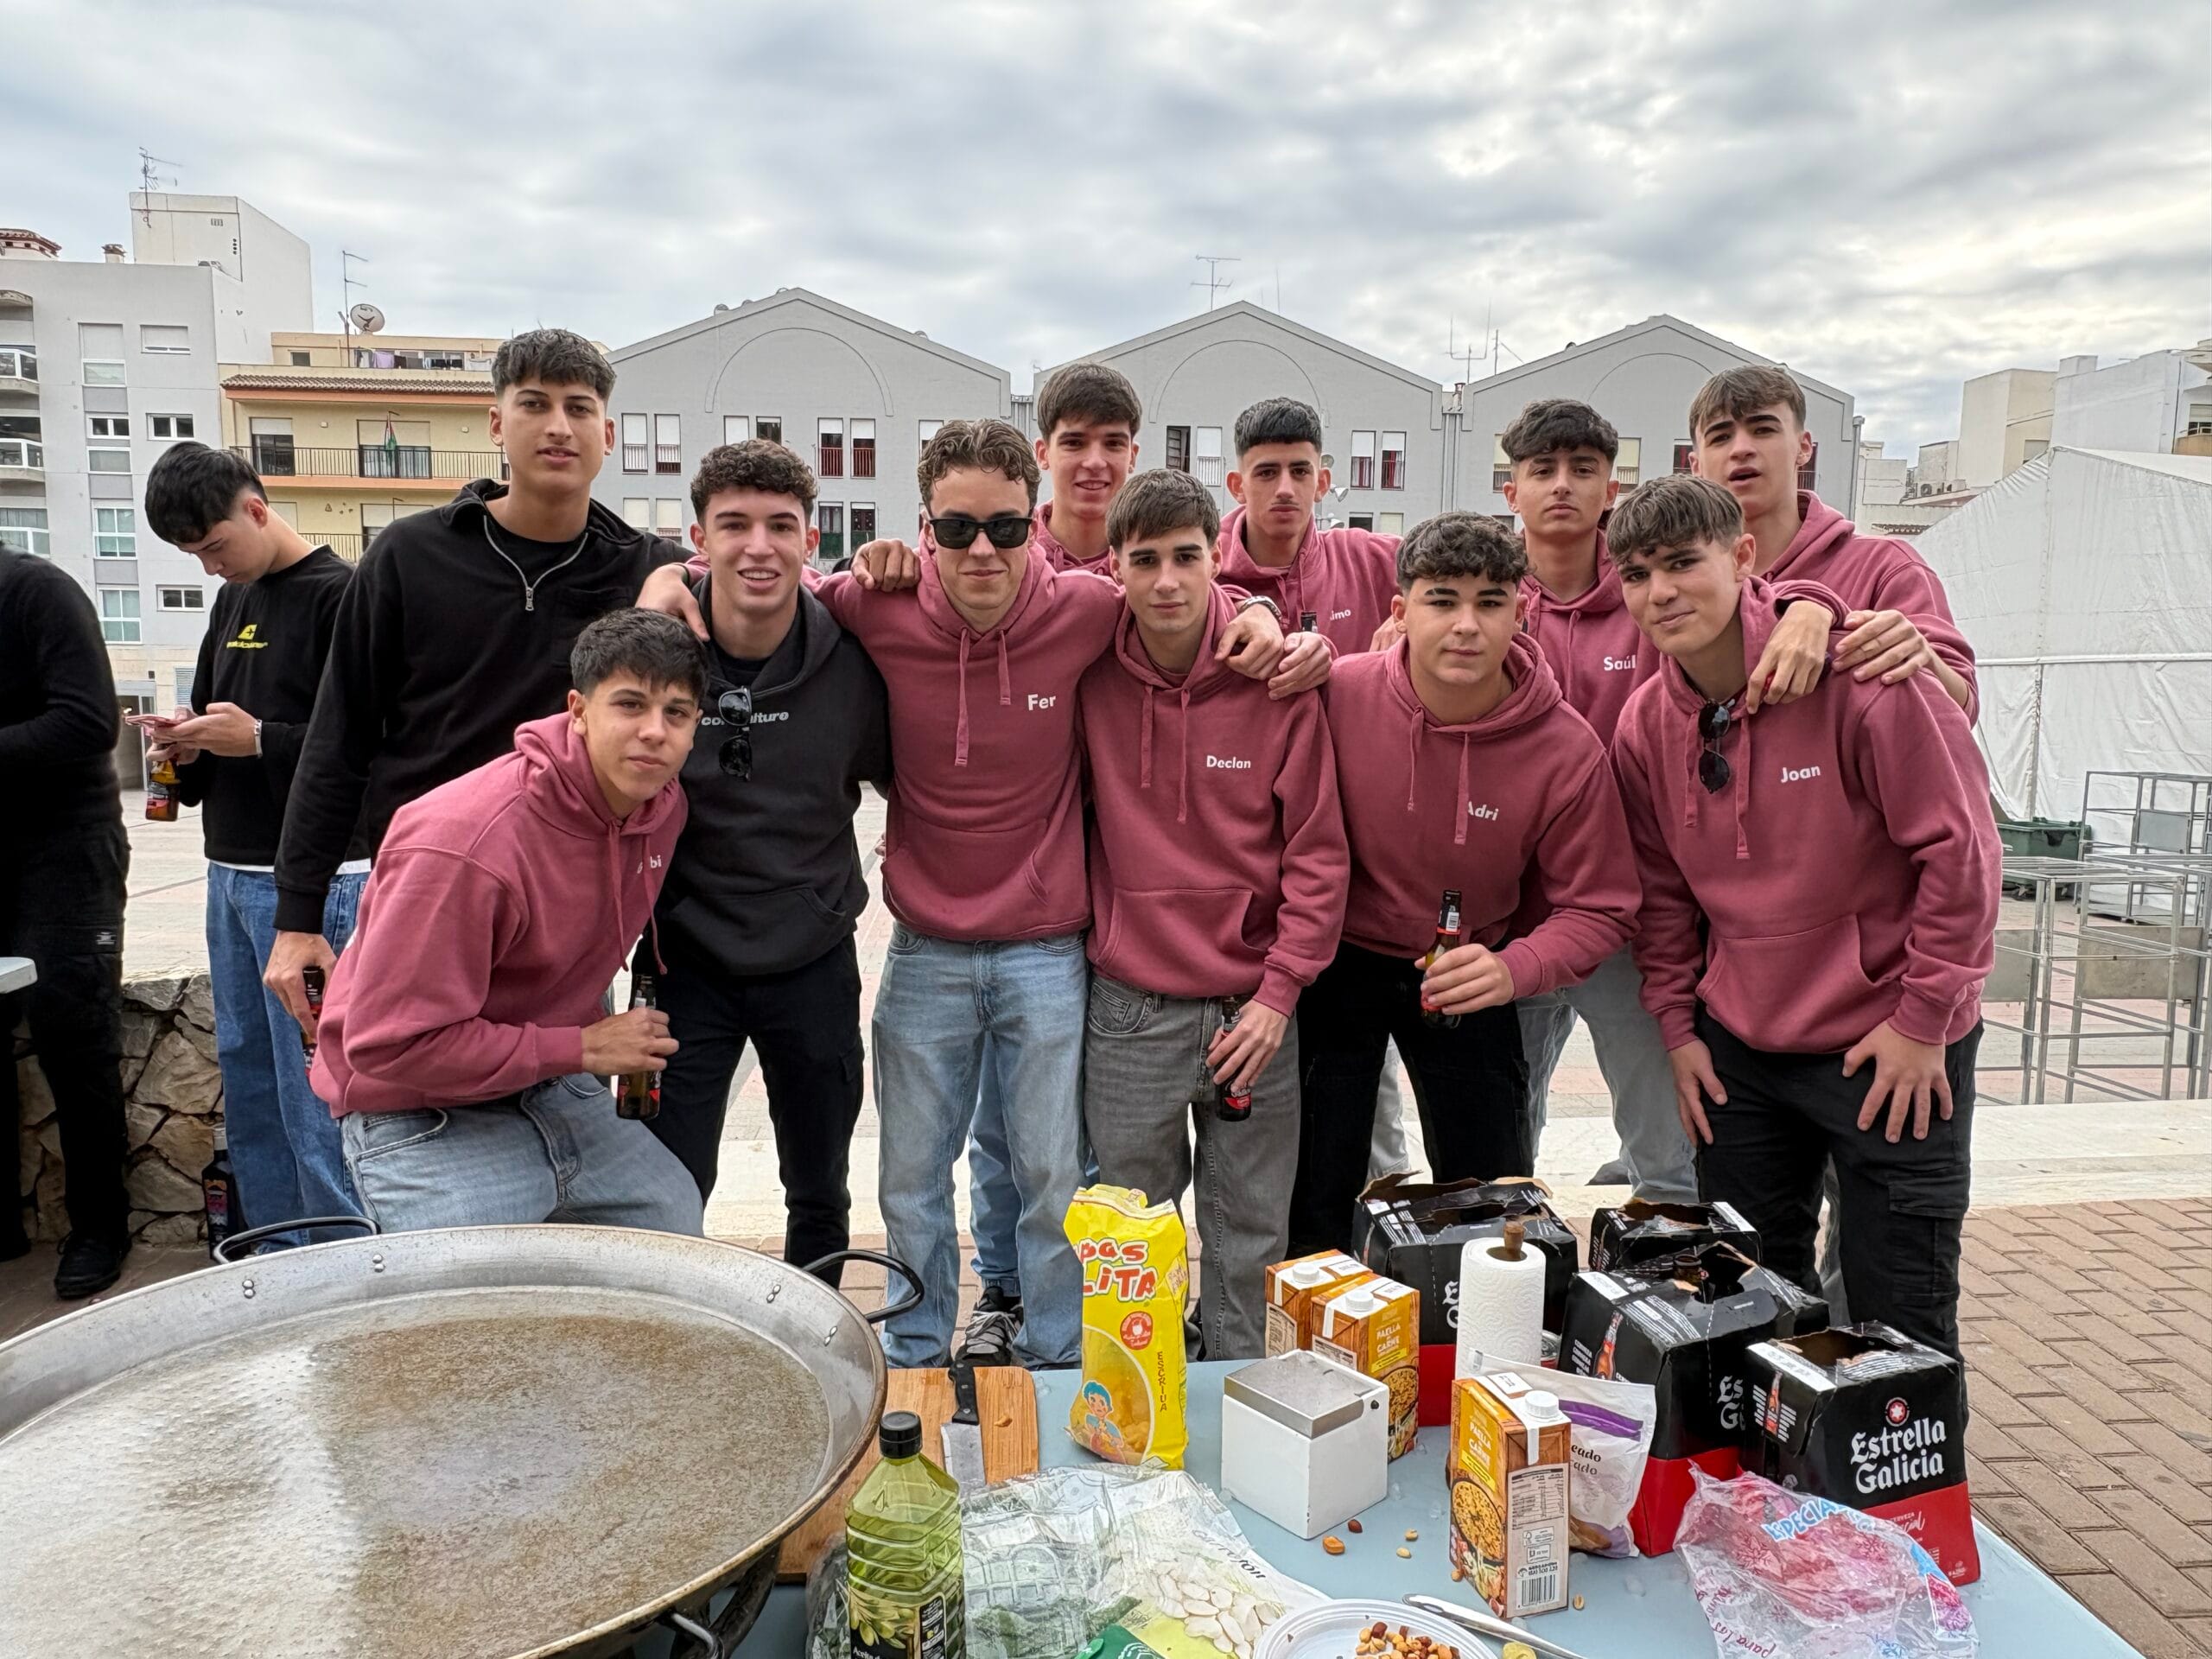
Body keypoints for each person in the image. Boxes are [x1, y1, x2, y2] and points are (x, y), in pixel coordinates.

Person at [642, 418, 1299, 1369]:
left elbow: (1184, 600)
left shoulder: (1085, 610)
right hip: (926, 948)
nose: (981, 550)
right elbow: (763, 578)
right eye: (956, 529)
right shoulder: (873, 604)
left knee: (1050, 1176)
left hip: (1047, 946)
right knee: (910, 1175)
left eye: (1003, 527)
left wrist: (1262, 612)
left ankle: (1056, 1355)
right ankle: (915, 1352)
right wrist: (668, 577)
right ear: (925, 528)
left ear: (1035, 522)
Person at [1607, 476, 1998, 1361]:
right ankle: (1764, 1461)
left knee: (1898, 1322)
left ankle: (1896, 1460)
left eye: (1682, 563)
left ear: (1742, 556)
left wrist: (1924, 1021)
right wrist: (1678, 1030)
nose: (1660, 592)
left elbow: (1963, 853)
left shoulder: (1867, 676)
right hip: (1741, 1052)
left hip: (1890, 1042)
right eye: (1636, 574)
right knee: (1750, 1312)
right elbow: (1661, 896)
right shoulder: (1644, 726)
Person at [265, 327, 685, 1042]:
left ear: (608, 435)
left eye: (579, 408)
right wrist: (297, 917)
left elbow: (772, 591)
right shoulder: (408, 556)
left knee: (552, 1079)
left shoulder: (649, 571)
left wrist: (872, 566)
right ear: (497, 423)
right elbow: (340, 737)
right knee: (395, 1077)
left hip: (564, 913)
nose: (559, 426)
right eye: (535, 404)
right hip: (423, 894)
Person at [1501, 400, 1838, 1200]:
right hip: (1513, 917)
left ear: (1611, 486)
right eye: (1543, 470)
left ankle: (1672, 1263)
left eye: (1583, 469)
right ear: (1510, 490)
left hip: (1630, 912)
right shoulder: (1489, 600)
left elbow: (1745, 605)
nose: (1562, 486)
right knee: (1504, 1146)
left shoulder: (1655, 594)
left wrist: (1815, 605)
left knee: (1667, 1144)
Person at [1289, 512, 1639, 1259]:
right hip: (1340, 958)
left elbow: (1602, 905)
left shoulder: (1566, 748)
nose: (1466, 625)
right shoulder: (1337, 696)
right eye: (1442, 600)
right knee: (1315, 1187)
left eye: (1490, 602)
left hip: (1472, 963)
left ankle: (1478, 1327)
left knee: (1491, 1197)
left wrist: (1514, 968)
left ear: (1521, 611)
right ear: (1401, 610)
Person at [312, 610, 705, 1233]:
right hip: (417, 1106)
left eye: (676, 713)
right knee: (479, 1285)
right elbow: (388, 1045)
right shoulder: (463, 845)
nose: (654, 731)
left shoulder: (659, 806)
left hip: (550, 1083)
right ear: (578, 710)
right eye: (630, 704)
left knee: (674, 1229)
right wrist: (582, 1047)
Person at [1078, 469, 1347, 1359]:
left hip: (1253, 1013)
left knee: (1251, 1238)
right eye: (1144, 560)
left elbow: (1317, 855)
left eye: (1186, 557)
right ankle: (1143, 1404)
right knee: (1135, 1245)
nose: (1166, 581)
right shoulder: (1088, 674)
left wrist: (1279, 995)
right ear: (1114, 567)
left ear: (1214, 560)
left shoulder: (1275, 684)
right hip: (1131, 1011)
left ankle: (1235, 1398)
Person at [648, 440, 891, 1281]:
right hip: (682, 964)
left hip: (812, 961)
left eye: (780, 525)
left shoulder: (855, 663)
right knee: (664, 1190)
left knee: (818, 1189)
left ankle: (810, 1341)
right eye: (735, 525)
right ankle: (677, 1341)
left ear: (810, 537)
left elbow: (913, 782)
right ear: (698, 540)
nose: (759, 546)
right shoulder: (656, 654)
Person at [141, 443, 367, 1245]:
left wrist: (263, 738)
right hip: (228, 874)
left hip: (316, 883)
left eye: (214, 546)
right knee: (248, 1077)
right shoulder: (230, 602)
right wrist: (186, 743)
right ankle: (275, 1257)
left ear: (257, 510)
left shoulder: (343, 598)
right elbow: (217, 726)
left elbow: (372, 750)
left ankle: (345, 1266)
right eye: (193, 557)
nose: (210, 568)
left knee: (316, 1091)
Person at [1688, 365, 1976, 716]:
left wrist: (1923, 657)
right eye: (1720, 437)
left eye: (1763, 429)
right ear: (1695, 466)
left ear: (1803, 448)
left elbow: (1962, 709)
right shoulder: (1669, 584)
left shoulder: (1884, 567)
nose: (1742, 449)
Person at [0, 549, 130, 1297]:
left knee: (73, 1033)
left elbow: (88, 721)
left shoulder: (36, 591)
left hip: (66, 848)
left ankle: (99, 1228)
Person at [1219, 397, 1402, 659]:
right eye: (1267, 473)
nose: (1285, 490)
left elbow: (1461, 555)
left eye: (1300, 472)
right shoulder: (1200, 569)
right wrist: (1240, 605)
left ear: (1322, 483)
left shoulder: (1366, 559)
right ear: (1237, 486)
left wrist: (1412, 617)